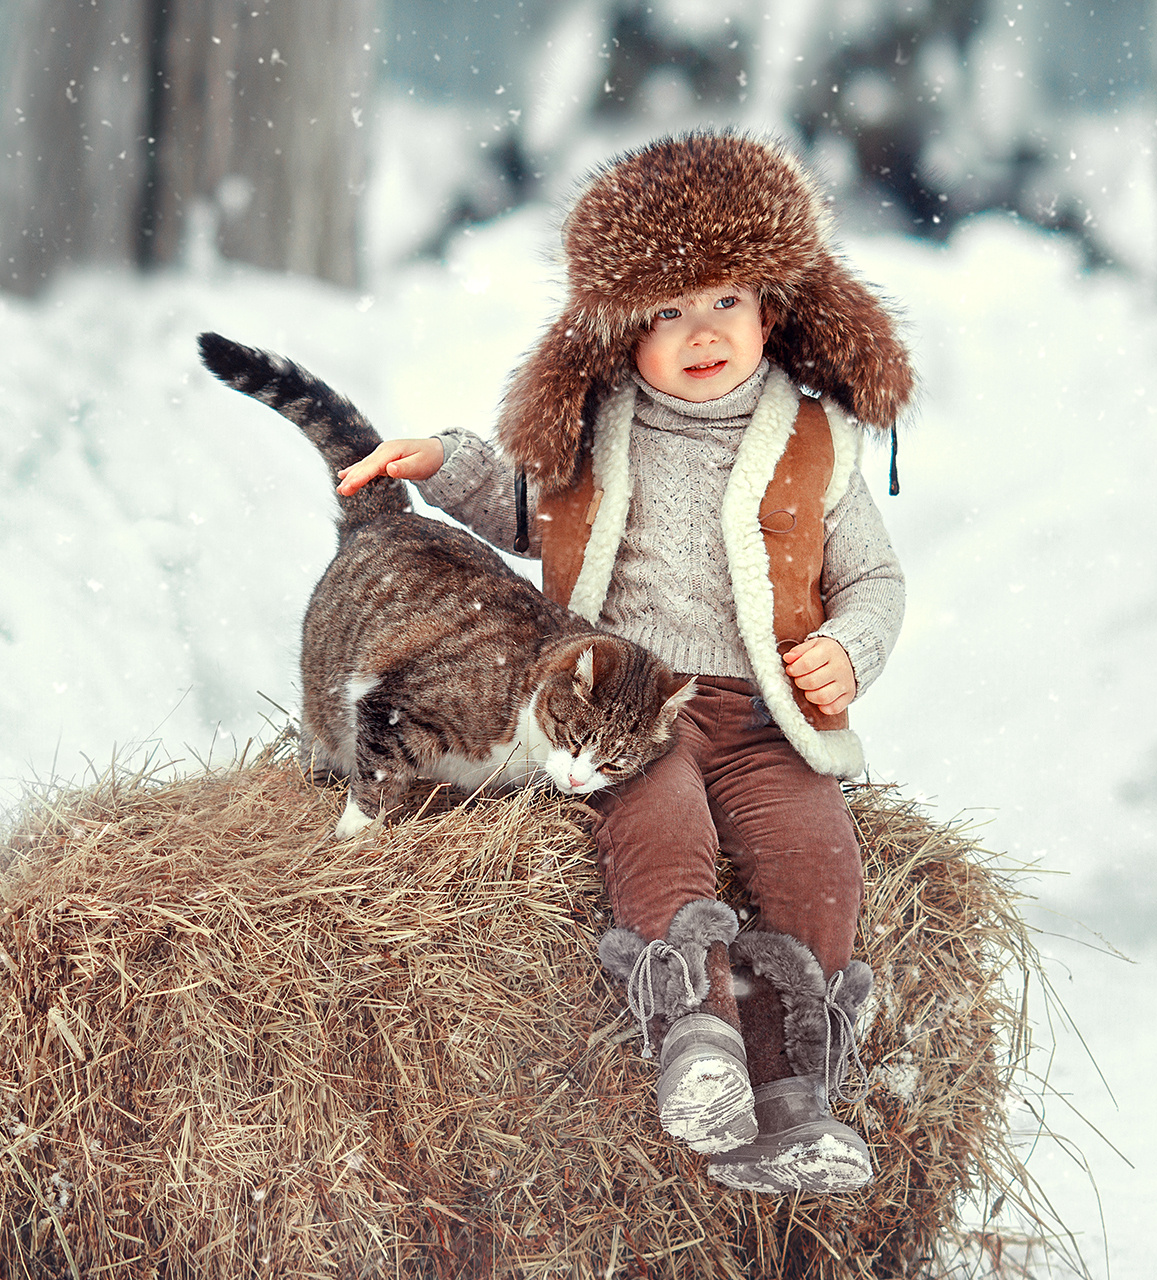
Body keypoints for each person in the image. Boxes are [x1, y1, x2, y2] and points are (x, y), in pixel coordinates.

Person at [335, 132, 913, 1194]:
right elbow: (519, 510)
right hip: (634, 701)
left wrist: (845, 646)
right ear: (617, 332)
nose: (699, 334)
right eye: (664, 313)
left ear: (772, 309)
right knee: (658, 822)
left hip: (762, 714)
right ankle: (697, 1035)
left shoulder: (814, 446)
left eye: (723, 303)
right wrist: (444, 460)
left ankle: (797, 1091)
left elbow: (875, 580)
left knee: (815, 852)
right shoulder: (601, 428)